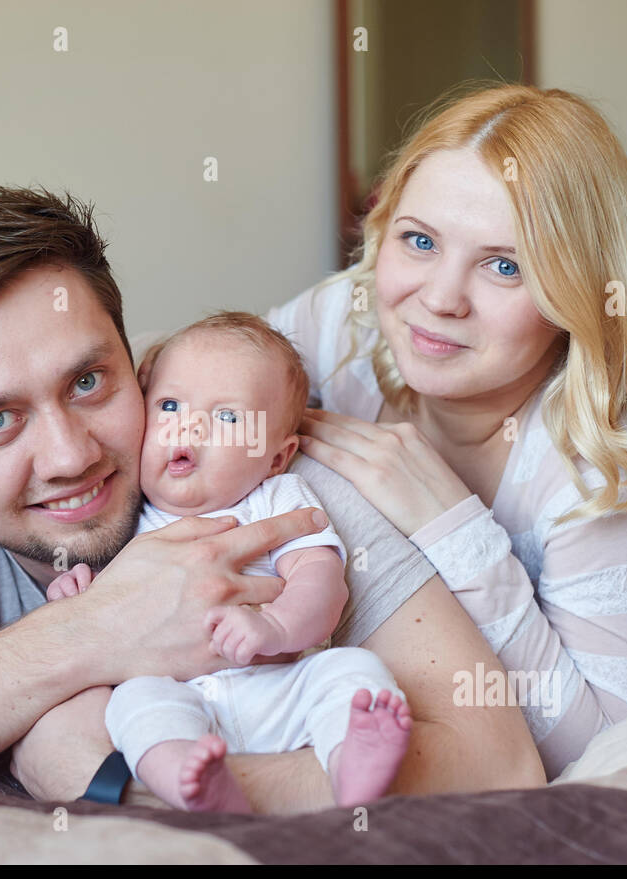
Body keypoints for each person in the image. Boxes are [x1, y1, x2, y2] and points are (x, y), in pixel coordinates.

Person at [0, 183, 544, 810]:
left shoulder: (245, 453)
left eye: (88, 380)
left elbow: (500, 759)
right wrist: (86, 635)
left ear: (131, 353)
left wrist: (117, 779)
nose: (71, 454)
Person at [275, 84, 627, 780]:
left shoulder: (614, 464)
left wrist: (451, 525)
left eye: (505, 265)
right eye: (420, 239)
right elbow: (193, 381)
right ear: (385, 226)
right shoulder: (349, 318)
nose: (439, 298)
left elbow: (599, 744)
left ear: (577, 290)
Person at [47, 312, 412, 812]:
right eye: (170, 405)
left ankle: (352, 766)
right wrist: (76, 599)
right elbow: (106, 615)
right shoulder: (127, 512)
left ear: (276, 457)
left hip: (281, 687)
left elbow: (322, 581)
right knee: (136, 705)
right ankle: (189, 780)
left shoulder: (277, 497)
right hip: (183, 699)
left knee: (351, 669)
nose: (188, 427)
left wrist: (278, 630)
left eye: (227, 417)